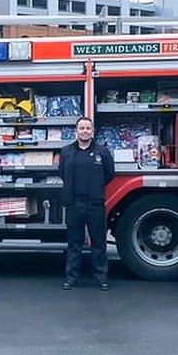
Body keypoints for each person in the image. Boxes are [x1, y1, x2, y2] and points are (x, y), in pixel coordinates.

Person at [59, 117, 115, 290]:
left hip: (95, 204)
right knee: (74, 244)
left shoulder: (102, 152)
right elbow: (62, 173)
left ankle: (101, 278)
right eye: (81, 128)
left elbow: (109, 174)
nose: (84, 131)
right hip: (74, 204)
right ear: (76, 131)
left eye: (88, 128)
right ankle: (71, 278)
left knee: (98, 243)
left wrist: (96, 188)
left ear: (93, 131)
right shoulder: (66, 152)